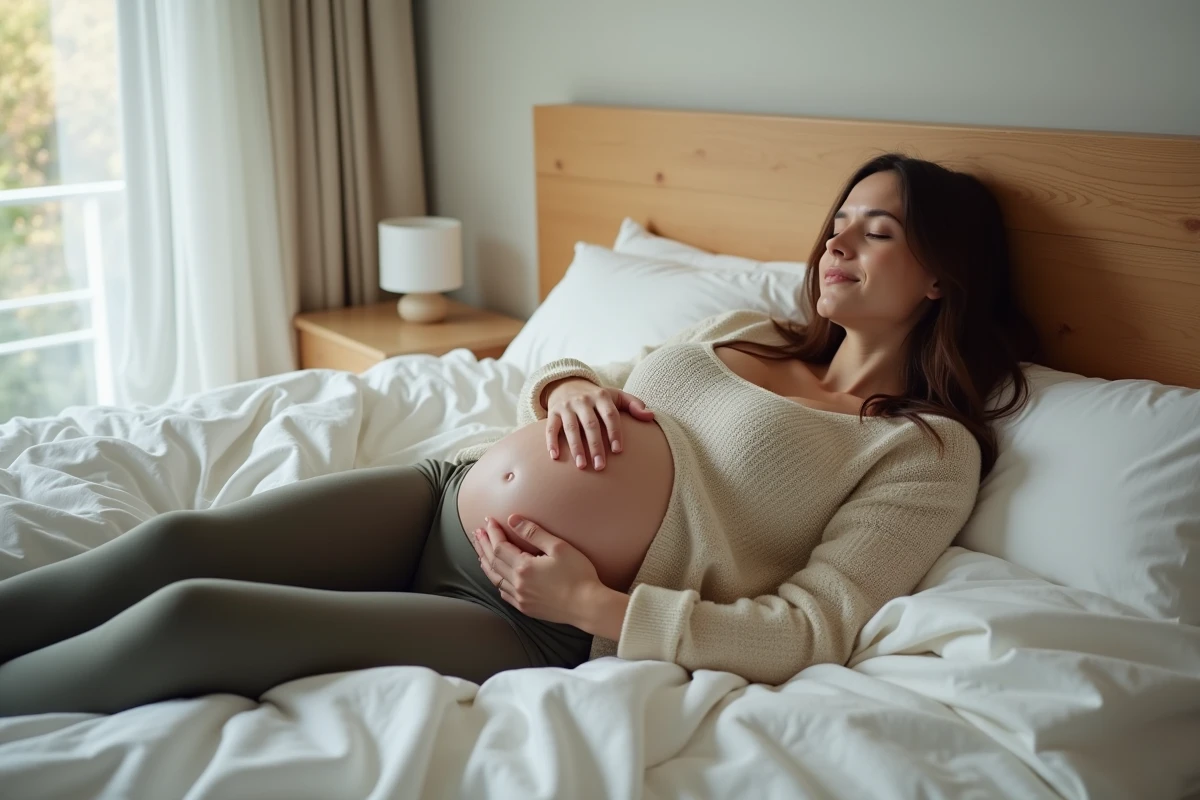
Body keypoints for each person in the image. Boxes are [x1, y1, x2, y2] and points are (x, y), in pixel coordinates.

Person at [0, 154, 1036, 716]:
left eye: (879, 229)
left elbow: (814, 623)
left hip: (528, 615)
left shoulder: (921, 449)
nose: (837, 240)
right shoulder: (749, 327)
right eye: (838, 221)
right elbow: (587, 374)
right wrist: (569, 390)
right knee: (175, 541)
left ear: (941, 273)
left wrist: (598, 605)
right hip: (442, 494)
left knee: (192, 617)